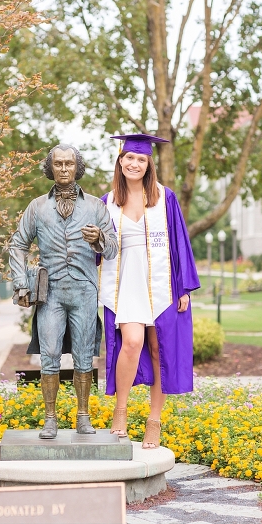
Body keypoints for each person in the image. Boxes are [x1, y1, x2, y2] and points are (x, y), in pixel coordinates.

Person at [98, 133, 200, 449]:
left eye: (141, 159)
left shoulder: (164, 198)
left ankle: (154, 421)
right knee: (131, 343)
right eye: (130, 157)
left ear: (149, 164)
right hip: (124, 281)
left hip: (161, 282)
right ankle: (121, 410)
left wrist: (184, 288)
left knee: (160, 350)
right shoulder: (106, 202)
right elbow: (97, 249)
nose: (135, 163)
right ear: (120, 160)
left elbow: (180, 242)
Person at [10, 144, 118, 439]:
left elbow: (113, 248)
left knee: (85, 357)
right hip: (51, 292)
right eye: (58, 164)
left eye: (69, 163)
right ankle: (49, 418)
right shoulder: (37, 207)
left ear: (77, 167)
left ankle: (83, 416)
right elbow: (18, 244)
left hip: (84, 290)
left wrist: (98, 239)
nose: (64, 168)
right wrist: (21, 283)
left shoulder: (96, 206)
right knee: (50, 356)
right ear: (50, 168)